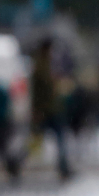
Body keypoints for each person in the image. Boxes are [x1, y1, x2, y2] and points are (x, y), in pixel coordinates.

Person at [30, 39, 71, 179]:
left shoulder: (45, 64)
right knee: (39, 139)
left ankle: (64, 167)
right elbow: (39, 92)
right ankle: (64, 168)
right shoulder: (40, 66)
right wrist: (36, 110)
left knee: (55, 139)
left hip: (51, 109)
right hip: (47, 110)